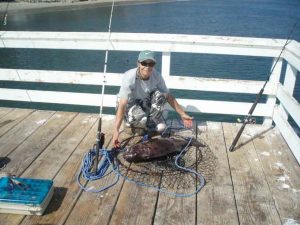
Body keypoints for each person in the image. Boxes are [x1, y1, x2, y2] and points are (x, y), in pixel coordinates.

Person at [112, 50, 193, 147]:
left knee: (162, 95)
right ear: (138, 63)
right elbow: (122, 104)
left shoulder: (157, 76)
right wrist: (116, 130)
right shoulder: (129, 77)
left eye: (151, 64)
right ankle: (133, 124)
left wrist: (182, 114)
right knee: (140, 121)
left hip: (144, 101)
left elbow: (168, 96)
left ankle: (149, 125)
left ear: (154, 65)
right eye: (144, 63)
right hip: (130, 104)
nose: (147, 67)